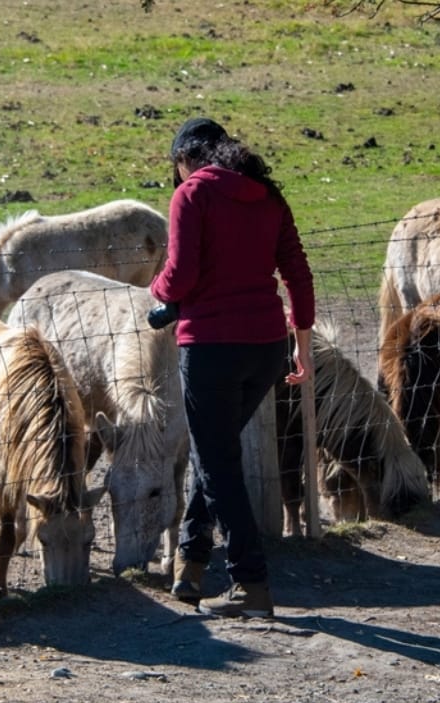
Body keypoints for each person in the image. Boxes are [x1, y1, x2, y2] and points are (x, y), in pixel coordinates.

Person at [149, 117, 315, 618]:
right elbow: (298, 274)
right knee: (213, 456)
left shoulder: (191, 196)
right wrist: (301, 346)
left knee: (217, 465)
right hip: (266, 347)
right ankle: (192, 563)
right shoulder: (267, 196)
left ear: (185, 159)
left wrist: (157, 293)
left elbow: (180, 277)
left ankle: (251, 583)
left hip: (210, 347)